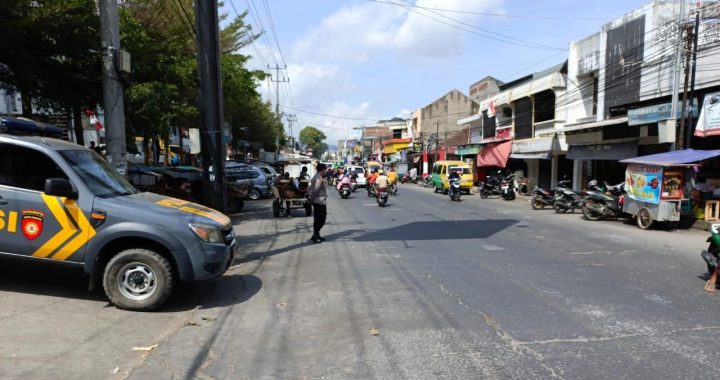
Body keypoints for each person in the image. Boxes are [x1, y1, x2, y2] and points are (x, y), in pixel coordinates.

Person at [308, 163, 328, 243]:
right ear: (322, 169)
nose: (325, 171)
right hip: (318, 201)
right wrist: (311, 200)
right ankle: (316, 236)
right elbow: (315, 190)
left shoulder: (318, 177)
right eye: (325, 169)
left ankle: (316, 235)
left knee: (320, 219)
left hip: (320, 201)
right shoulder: (318, 178)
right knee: (320, 219)